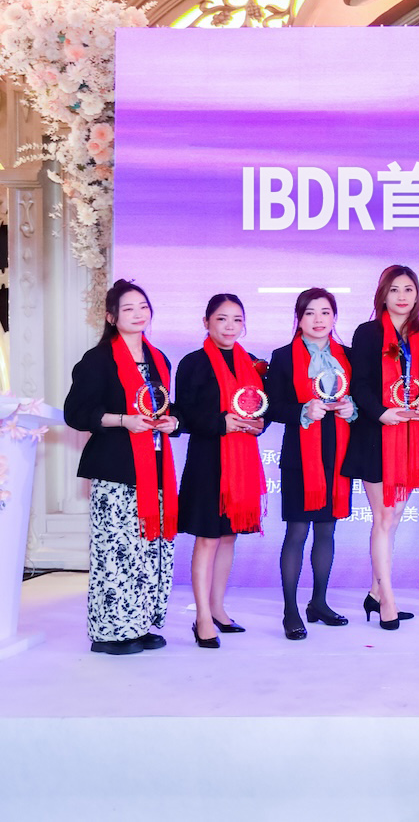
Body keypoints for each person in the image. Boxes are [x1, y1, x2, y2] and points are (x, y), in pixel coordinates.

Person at [63, 279, 183, 655]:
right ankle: (109, 633)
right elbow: (75, 413)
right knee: (116, 552)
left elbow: (164, 406)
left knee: (147, 551)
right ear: (112, 317)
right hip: (115, 470)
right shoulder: (97, 359)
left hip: (156, 467)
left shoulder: (159, 358)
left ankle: (138, 624)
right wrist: (123, 420)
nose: (138, 313)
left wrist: (172, 422)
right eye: (128, 308)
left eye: (143, 306)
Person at [174, 294, 267, 647]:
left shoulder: (252, 363)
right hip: (207, 461)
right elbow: (184, 414)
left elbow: (261, 407)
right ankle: (201, 618)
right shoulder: (193, 363)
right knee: (208, 538)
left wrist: (259, 424)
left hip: (241, 462)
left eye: (237, 320)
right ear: (206, 322)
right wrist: (220, 422)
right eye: (222, 319)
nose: (230, 327)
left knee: (229, 537)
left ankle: (217, 608)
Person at [346, 264, 419, 630]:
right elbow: (359, 385)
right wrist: (382, 413)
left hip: (410, 438)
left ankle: (375, 591)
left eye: (408, 290)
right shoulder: (367, 333)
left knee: (393, 518)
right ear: (383, 294)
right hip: (375, 436)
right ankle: (389, 600)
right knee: (384, 518)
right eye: (395, 289)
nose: (402, 296)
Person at [265, 287, 356, 641]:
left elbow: (360, 398)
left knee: (327, 531)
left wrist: (352, 409)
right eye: (310, 313)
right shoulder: (283, 356)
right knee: (298, 531)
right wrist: (302, 410)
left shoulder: (348, 356)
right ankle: (290, 610)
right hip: (300, 455)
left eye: (325, 312)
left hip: (337, 452)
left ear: (334, 317)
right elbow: (272, 407)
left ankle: (319, 602)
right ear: (299, 319)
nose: (318, 320)